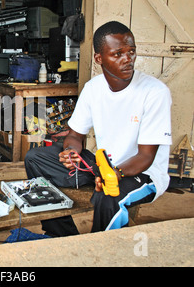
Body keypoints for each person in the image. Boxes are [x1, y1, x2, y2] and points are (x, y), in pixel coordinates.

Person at [25, 21, 172, 233]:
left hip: (143, 173)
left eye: (131, 52)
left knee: (109, 195)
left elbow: (146, 157)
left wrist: (113, 174)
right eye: (118, 54)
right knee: (35, 159)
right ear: (99, 59)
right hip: (104, 164)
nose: (127, 60)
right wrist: (70, 152)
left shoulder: (154, 93)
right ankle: (62, 235)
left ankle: (100, 250)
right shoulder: (93, 89)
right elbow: (75, 135)